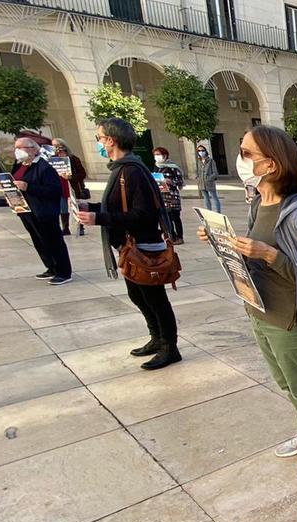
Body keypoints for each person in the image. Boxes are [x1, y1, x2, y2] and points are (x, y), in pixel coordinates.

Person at [198, 125, 297, 477]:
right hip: (259, 310)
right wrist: (223, 241)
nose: (241, 159)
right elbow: (249, 256)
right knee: (284, 381)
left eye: (248, 153)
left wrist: (271, 255)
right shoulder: (257, 206)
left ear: (271, 165)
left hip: (288, 318)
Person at [75, 118, 180, 371]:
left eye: (100, 138)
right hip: (129, 246)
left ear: (111, 140)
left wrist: (99, 218)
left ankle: (170, 347)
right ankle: (156, 338)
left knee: (155, 299)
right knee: (137, 295)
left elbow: (143, 214)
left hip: (143, 246)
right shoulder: (120, 169)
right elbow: (119, 206)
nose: (98, 142)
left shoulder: (132, 170)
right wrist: (91, 208)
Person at [10, 136, 72, 285]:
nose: (17, 151)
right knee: (39, 240)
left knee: (53, 240)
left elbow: (54, 190)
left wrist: (28, 187)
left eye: (21, 147)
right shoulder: (19, 165)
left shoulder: (44, 167)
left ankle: (63, 271)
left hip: (44, 211)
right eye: (16, 148)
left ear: (33, 149)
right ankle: (51, 267)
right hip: (26, 210)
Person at [53, 139, 88, 236]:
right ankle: (65, 228)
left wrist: (71, 177)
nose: (59, 151)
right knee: (63, 208)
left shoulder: (74, 159)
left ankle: (80, 226)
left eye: (60, 148)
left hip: (73, 187)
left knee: (77, 207)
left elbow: (82, 174)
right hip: (60, 187)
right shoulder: (53, 160)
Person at [153, 147, 186, 244]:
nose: (157, 157)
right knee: (167, 218)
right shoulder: (157, 167)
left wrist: (170, 181)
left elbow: (180, 181)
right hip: (162, 197)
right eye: (155, 155)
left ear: (165, 155)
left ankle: (180, 237)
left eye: (158, 154)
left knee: (175, 217)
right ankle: (172, 236)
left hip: (172, 196)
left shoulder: (173, 167)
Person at [195, 144, 222, 212]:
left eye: (202, 150)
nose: (201, 152)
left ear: (205, 151)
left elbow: (215, 173)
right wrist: (198, 178)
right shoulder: (199, 161)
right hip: (201, 183)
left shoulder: (211, 161)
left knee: (214, 197)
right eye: (199, 151)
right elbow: (198, 171)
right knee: (206, 199)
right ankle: (209, 212)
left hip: (209, 183)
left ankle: (218, 212)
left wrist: (209, 178)